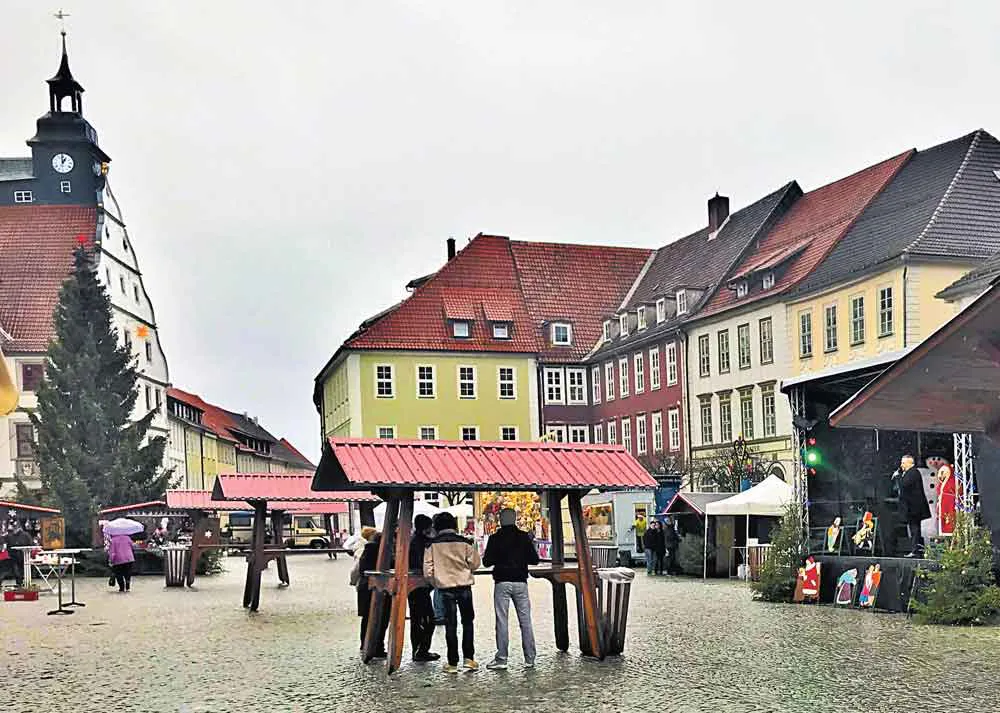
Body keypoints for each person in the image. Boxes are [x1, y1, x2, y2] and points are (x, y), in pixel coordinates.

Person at [483, 508, 539, 671]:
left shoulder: (494, 538)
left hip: (502, 582)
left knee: (502, 620)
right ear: (514, 519)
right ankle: (530, 658)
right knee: (525, 621)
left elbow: (486, 562)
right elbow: (534, 560)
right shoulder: (523, 537)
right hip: (521, 582)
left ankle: (502, 658)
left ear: (501, 520)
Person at [424, 512, 481, 673]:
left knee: (450, 625)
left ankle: (452, 662)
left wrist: (437, 582)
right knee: (468, 622)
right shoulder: (465, 543)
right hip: (464, 587)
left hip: (445, 588)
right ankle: (469, 659)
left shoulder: (432, 545)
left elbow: (428, 571)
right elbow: (475, 563)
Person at [408, 515, 439, 662]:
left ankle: (418, 649)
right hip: (420, 585)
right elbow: (424, 563)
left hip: (415, 586)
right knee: (427, 619)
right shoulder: (422, 543)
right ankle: (421, 650)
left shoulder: (414, 540)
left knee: (417, 619)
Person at [357, 530, 390, 659]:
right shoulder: (375, 550)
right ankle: (374, 646)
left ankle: (367, 644)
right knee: (377, 617)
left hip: (368, 588)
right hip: (374, 588)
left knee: (369, 617)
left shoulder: (370, 549)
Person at [897, 454, 931, 557]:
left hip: (914, 508)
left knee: (915, 529)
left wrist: (899, 476)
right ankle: (917, 549)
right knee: (914, 528)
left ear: (909, 463)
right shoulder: (910, 473)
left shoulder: (913, 472)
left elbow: (904, 484)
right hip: (912, 507)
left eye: (903, 462)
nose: (901, 465)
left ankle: (916, 550)